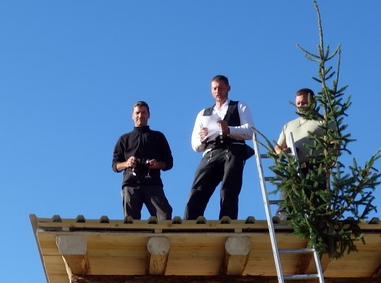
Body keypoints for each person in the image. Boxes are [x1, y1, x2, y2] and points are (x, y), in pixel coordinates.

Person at [184, 75, 256, 220]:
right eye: (215, 88)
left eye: (221, 88)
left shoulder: (239, 106)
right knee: (198, 187)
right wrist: (202, 138)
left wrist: (229, 129)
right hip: (211, 152)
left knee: (229, 188)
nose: (218, 91)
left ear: (228, 88)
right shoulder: (204, 113)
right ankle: (190, 222)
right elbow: (195, 145)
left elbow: (251, 131)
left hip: (233, 150)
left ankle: (227, 221)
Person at [112, 101, 174, 220]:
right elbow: (115, 165)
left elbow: (169, 162)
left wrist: (158, 164)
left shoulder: (158, 137)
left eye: (143, 113)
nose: (140, 116)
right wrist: (127, 163)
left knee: (164, 216)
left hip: (153, 183)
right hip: (131, 185)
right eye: (137, 113)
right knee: (131, 222)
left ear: (148, 115)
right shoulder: (124, 139)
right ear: (132, 116)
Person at [271, 88, 325, 178]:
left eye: (304, 103)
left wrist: (328, 165)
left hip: (316, 172)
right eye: (298, 103)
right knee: (285, 193)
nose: (301, 106)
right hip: (293, 171)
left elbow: (334, 144)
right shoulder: (289, 125)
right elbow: (277, 148)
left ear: (313, 102)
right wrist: (283, 152)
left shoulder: (322, 122)